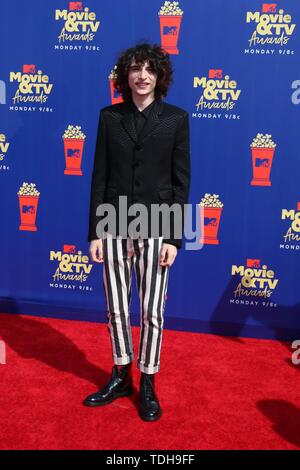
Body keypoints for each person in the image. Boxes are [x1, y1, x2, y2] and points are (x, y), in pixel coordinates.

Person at [83, 42, 190, 421]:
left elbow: (181, 183)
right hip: (113, 219)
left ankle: (147, 380)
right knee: (115, 306)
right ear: (124, 77)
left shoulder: (176, 118)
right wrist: (95, 231)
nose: (142, 75)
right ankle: (120, 374)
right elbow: (99, 176)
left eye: (149, 69)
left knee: (152, 310)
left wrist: (176, 238)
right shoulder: (109, 118)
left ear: (159, 76)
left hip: (159, 223)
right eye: (135, 69)